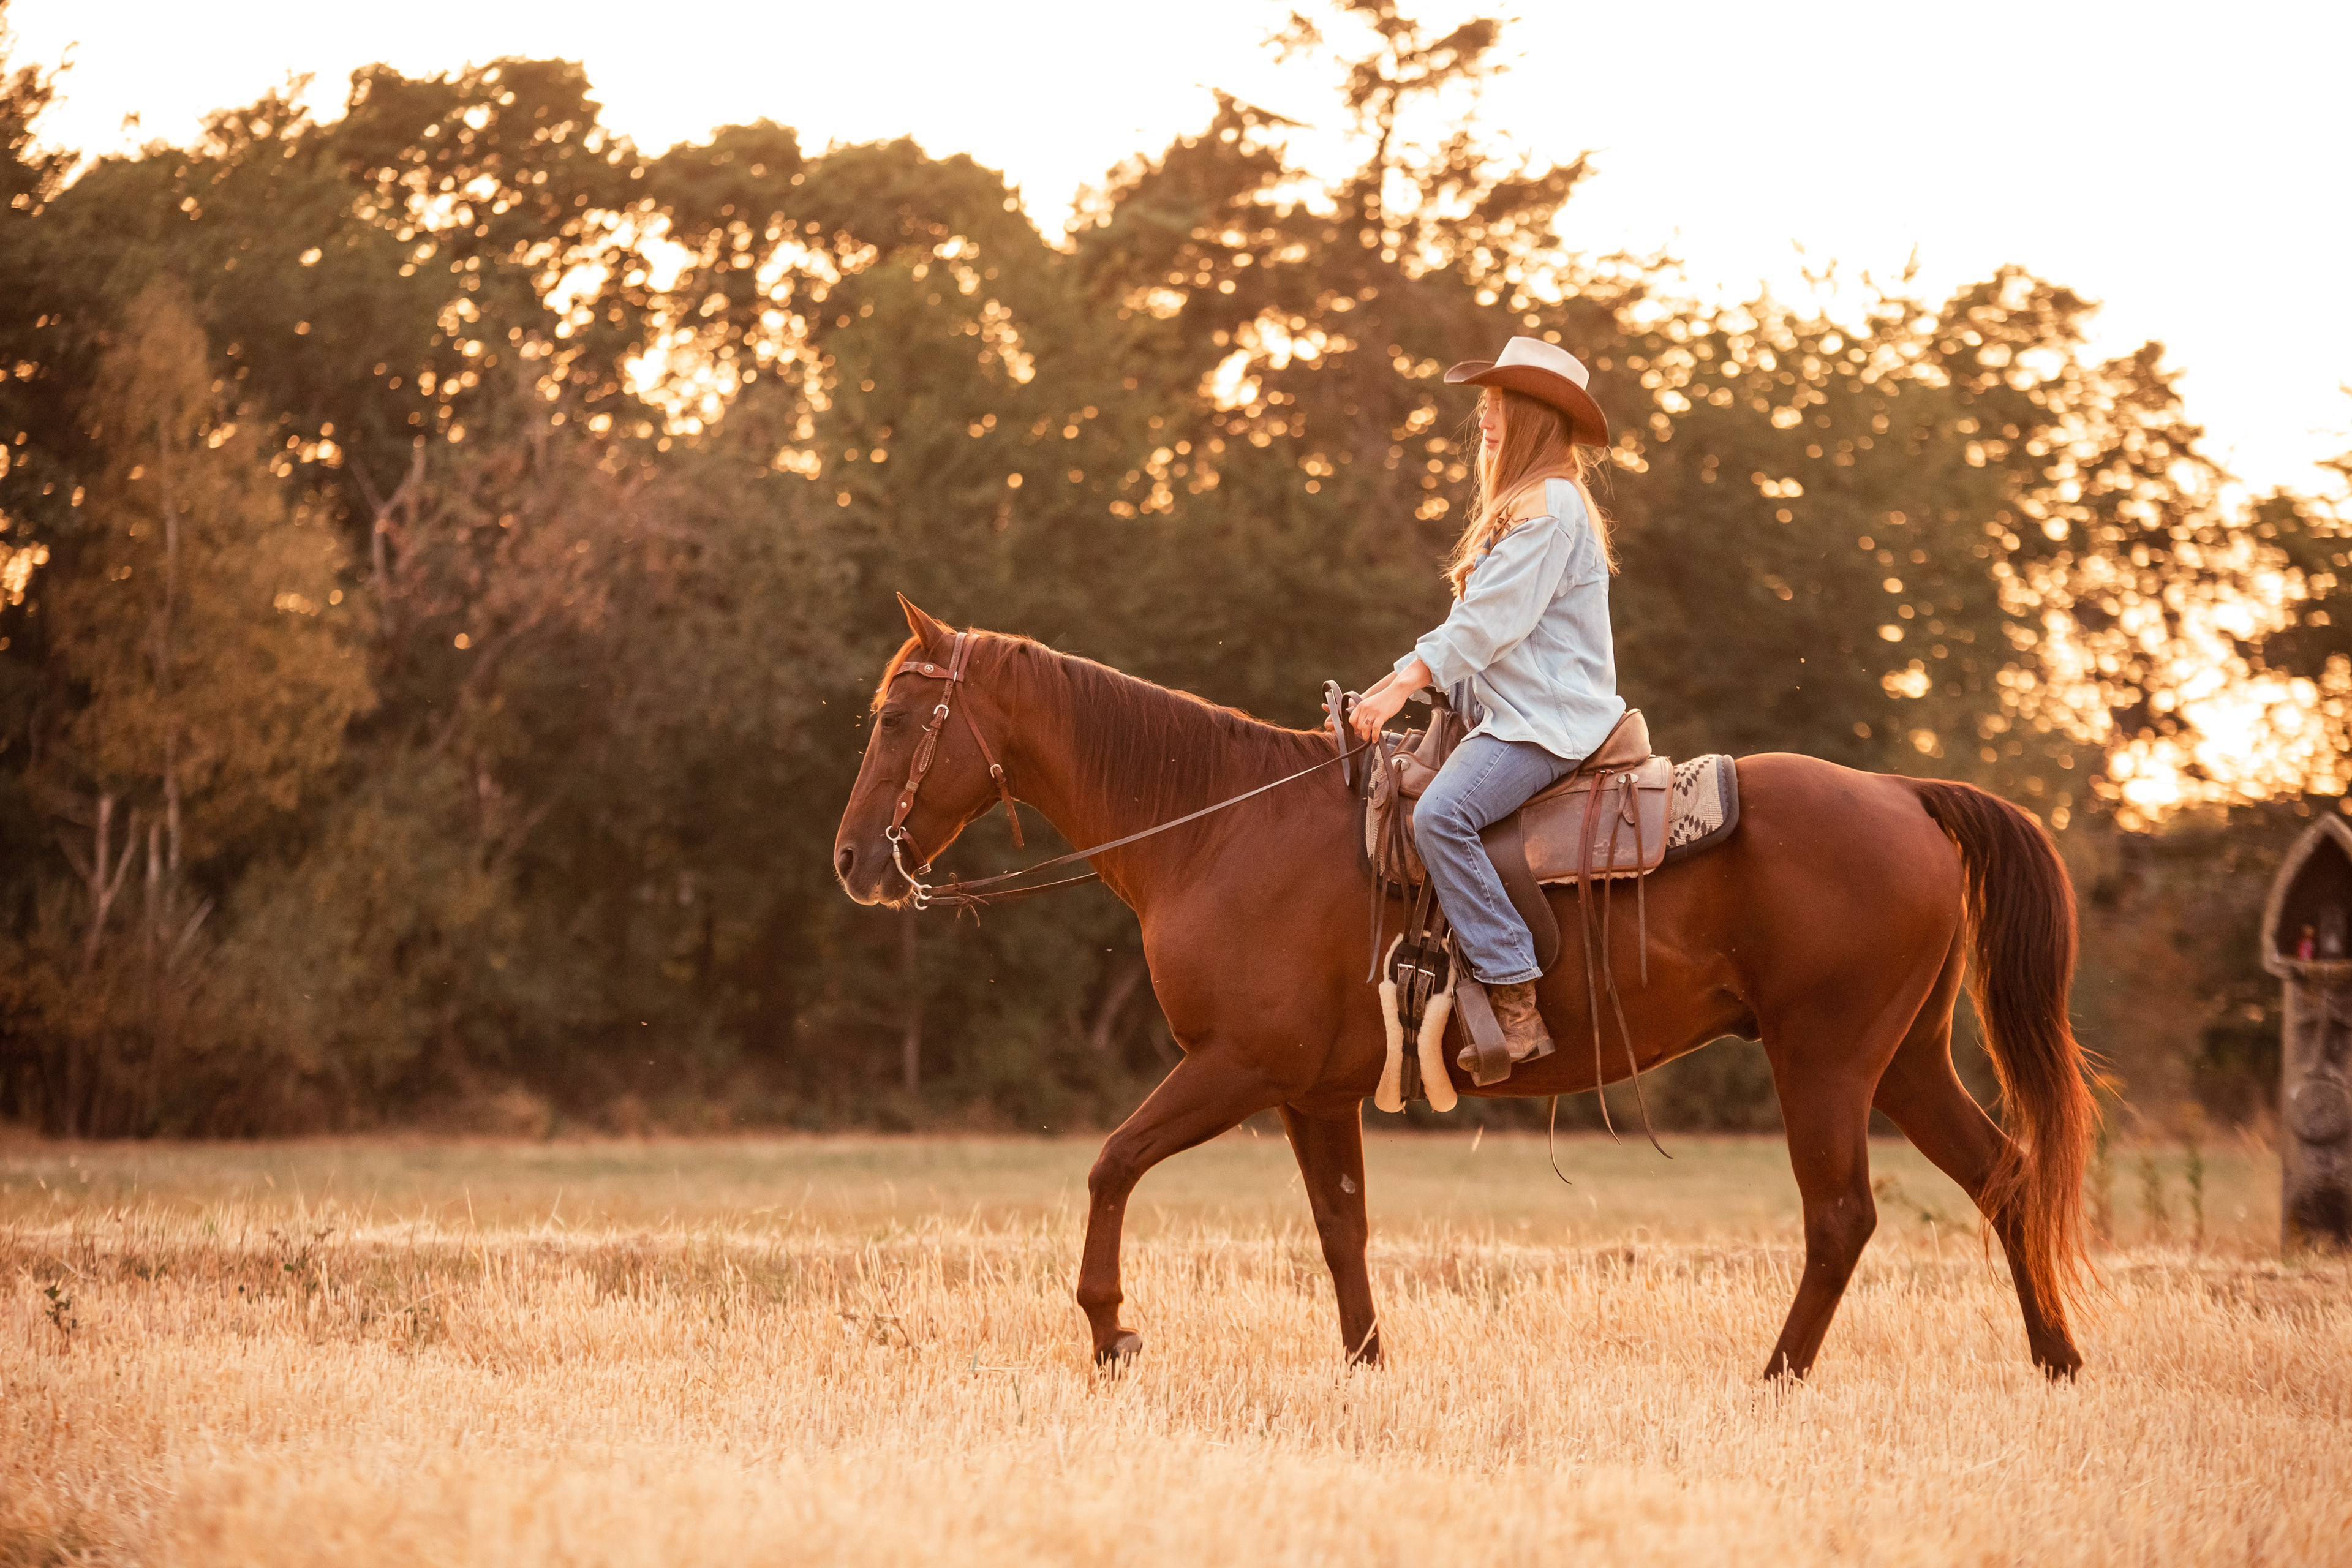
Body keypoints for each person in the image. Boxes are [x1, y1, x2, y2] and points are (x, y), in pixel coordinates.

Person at [1350, 336, 1624, 1069]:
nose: (1486, 420)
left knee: (1442, 815)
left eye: (1500, 406)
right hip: (1508, 716)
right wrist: (1398, 684)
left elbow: (1489, 622)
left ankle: (1514, 993)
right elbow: (1486, 640)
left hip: (1543, 724)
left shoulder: (1551, 506)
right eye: (1487, 405)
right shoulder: (1528, 505)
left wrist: (1404, 681)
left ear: (1533, 416)